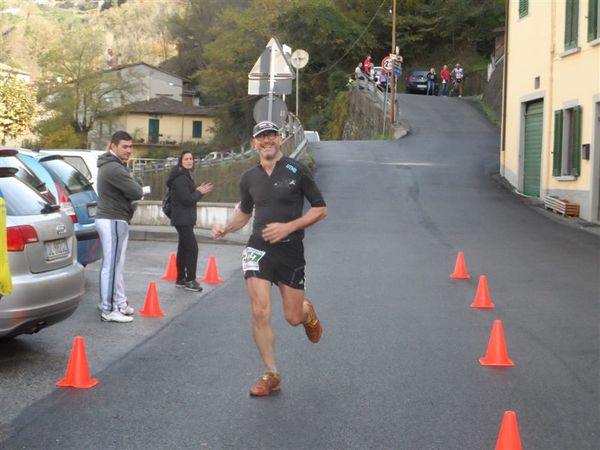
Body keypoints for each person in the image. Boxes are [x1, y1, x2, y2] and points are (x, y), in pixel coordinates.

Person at [212, 120, 327, 397]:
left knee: (291, 316)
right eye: (261, 137)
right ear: (254, 143)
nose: (267, 141)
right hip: (258, 248)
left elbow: (320, 209)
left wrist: (289, 227)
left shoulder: (296, 170)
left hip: (290, 250)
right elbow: (245, 212)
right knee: (259, 311)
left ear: (280, 140)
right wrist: (226, 228)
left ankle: (306, 311)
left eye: (271, 136)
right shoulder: (248, 178)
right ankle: (271, 373)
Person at [96, 131, 144, 323]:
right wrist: (135, 181)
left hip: (114, 219)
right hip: (112, 219)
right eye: (124, 146)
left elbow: (133, 188)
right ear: (113, 146)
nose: (129, 150)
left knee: (116, 265)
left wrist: (132, 180)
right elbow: (136, 191)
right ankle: (108, 310)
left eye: (131, 146)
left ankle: (119, 303)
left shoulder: (115, 166)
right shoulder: (114, 169)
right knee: (111, 266)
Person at [167, 150, 214, 291]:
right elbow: (187, 200)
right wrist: (200, 192)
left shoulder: (185, 176)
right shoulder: (181, 178)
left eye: (191, 159)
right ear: (181, 161)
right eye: (186, 159)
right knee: (192, 248)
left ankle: (180, 279)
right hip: (182, 219)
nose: (189, 161)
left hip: (184, 218)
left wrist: (198, 191)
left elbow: (189, 197)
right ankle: (190, 280)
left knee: (183, 249)